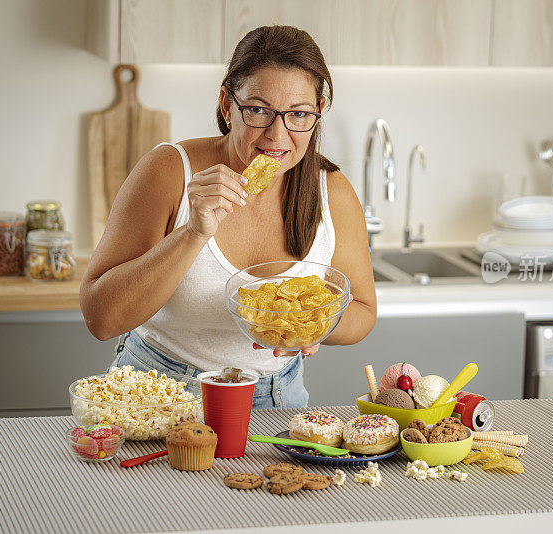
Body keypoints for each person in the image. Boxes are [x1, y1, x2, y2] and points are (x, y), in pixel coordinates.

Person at [80, 25, 376, 408]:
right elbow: (101, 320)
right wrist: (193, 233)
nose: (277, 135)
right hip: (157, 392)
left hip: (277, 398)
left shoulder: (331, 191)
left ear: (317, 114)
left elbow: (363, 311)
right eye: (257, 110)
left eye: (299, 114)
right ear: (226, 105)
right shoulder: (169, 171)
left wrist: (314, 326)